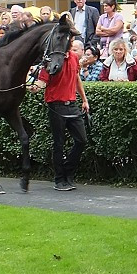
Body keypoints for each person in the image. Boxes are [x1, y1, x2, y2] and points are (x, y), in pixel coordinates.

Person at [32, 38, 89, 191]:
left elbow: (76, 78)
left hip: (71, 104)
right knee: (59, 143)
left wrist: (84, 99)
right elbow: (42, 81)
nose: (70, 43)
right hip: (55, 105)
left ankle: (67, 173)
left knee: (81, 140)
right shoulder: (50, 61)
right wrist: (34, 87)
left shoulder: (74, 58)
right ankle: (59, 179)